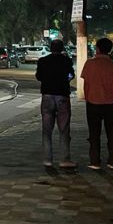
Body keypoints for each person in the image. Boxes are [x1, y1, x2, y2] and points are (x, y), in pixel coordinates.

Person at [80, 37, 113, 169]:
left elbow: (86, 84)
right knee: (112, 133)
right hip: (110, 102)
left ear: (98, 49)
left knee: (94, 133)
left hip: (93, 102)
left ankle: (95, 161)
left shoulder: (90, 63)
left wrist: (88, 98)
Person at [35, 39, 77, 169]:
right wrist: (64, 80)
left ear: (50, 48)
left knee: (47, 130)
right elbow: (71, 75)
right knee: (64, 129)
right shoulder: (66, 60)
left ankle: (47, 160)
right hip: (62, 95)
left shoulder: (43, 61)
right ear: (62, 48)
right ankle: (64, 159)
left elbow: (38, 76)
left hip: (47, 96)